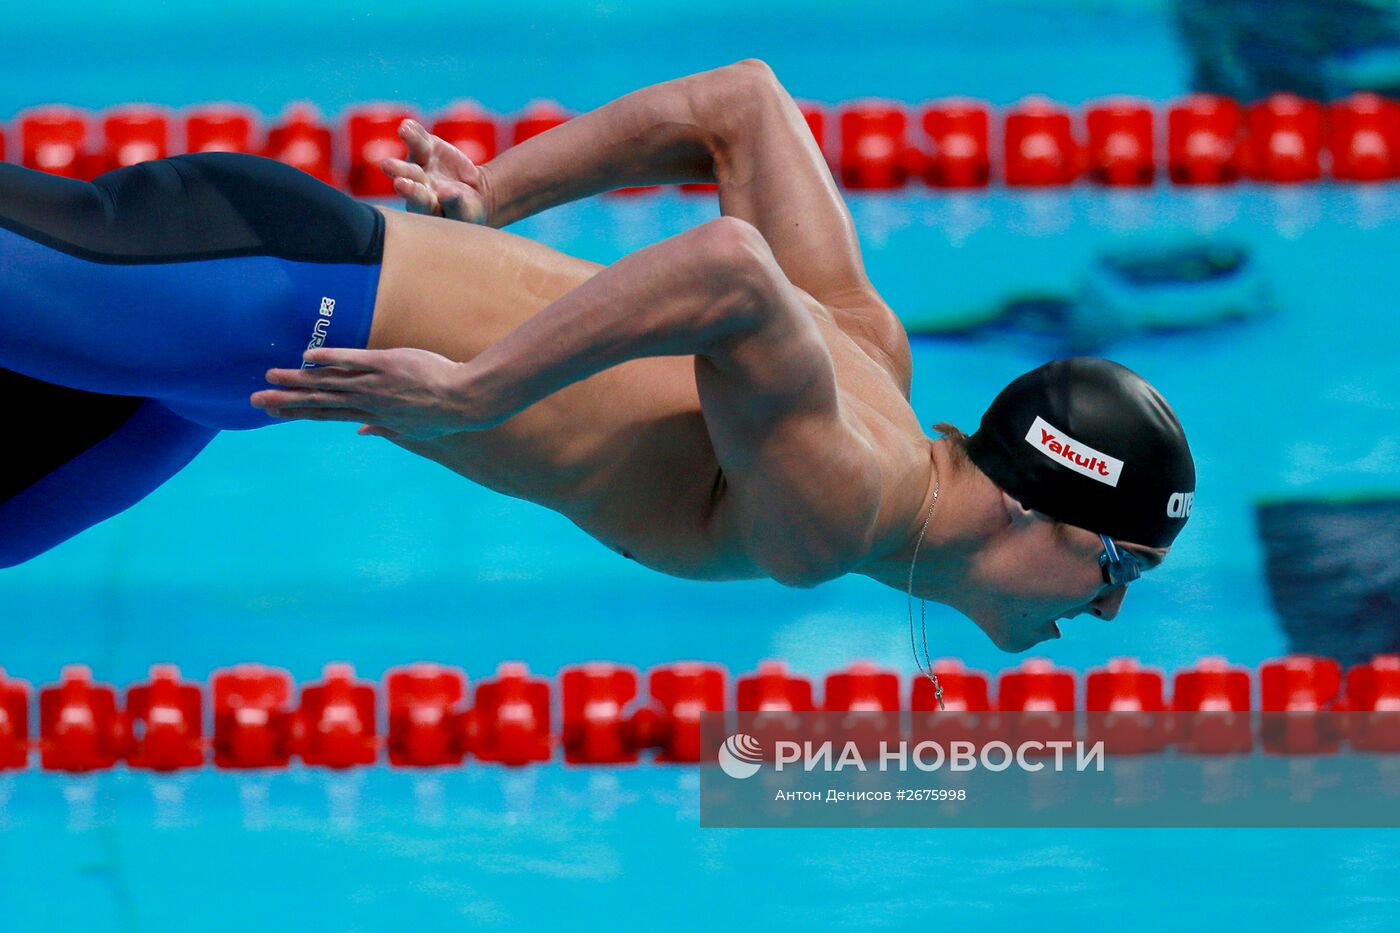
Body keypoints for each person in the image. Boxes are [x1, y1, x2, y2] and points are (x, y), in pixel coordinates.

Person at [1, 61, 1194, 654]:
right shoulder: (844, 504)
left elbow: (742, 105)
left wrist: (495, 196)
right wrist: (477, 388)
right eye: (1117, 571)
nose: (1099, 613)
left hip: (235, 373)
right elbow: (728, 271)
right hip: (254, 297)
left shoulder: (870, 360)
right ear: (1046, 509)